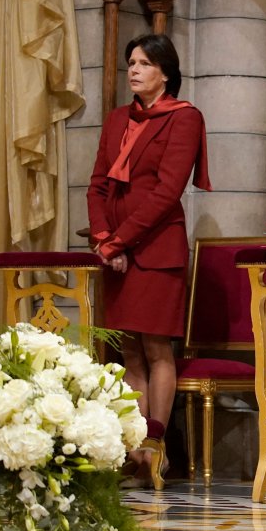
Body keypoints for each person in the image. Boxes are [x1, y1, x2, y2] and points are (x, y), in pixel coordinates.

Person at [86, 33, 211, 481]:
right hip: (116, 250)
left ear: (165, 71)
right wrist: (104, 237)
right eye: (131, 63)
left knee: (157, 348)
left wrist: (120, 242)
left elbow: (165, 193)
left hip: (156, 250)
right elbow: (98, 183)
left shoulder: (184, 118)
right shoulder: (118, 118)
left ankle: (156, 446)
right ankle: (133, 447)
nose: (134, 71)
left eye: (143, 63)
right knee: (129, 352)